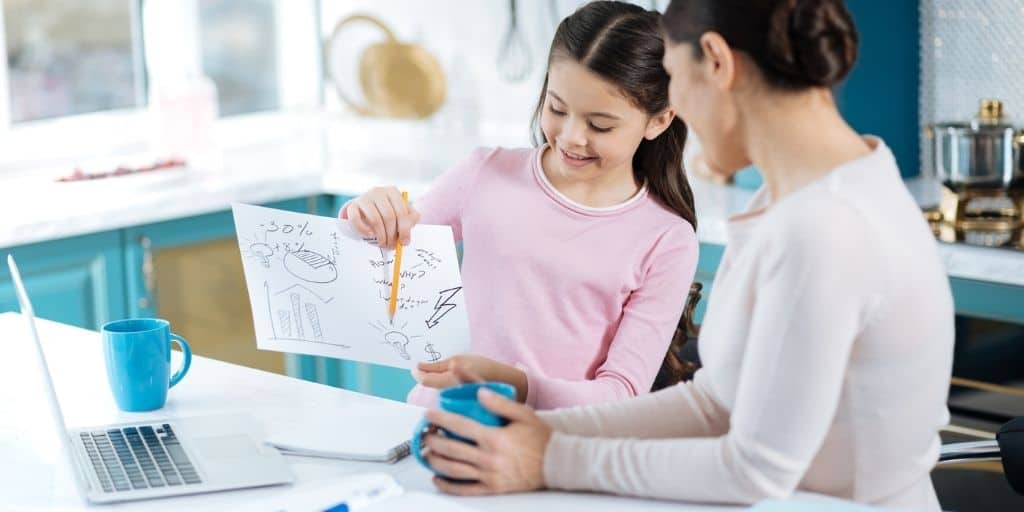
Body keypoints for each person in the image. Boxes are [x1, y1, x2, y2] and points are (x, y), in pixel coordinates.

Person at [418, 0, 955, 509]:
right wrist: (545, 430)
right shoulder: (801, 195)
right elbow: (714, 403)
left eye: (673, 76)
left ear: (717, 63)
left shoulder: (823, 229)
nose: (672, 111)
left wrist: (549, 458)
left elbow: (754, 470)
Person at [340, 1, 700, 410]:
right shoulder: (484, 173)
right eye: (557, 107)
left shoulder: (666, 239)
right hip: (434, 426)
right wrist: (367, 215)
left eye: (600, 125)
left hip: (550, 454)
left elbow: (620, 394)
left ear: (659, 120)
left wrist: (511, 384)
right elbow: (379, 253)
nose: (570, 136)